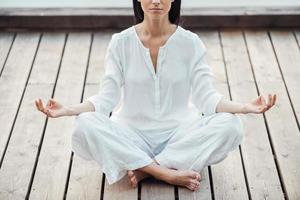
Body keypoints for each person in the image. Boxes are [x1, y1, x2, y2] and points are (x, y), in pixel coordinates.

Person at [35, 0, 276, 192]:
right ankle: (164, 172)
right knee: (85, 124)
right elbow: (105, 100)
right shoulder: (120, 43)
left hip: (179, 134)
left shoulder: (191, 43)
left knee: (232, 125)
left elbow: (206, 99)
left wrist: (244, 107)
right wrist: (67, 110)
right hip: (132, 133)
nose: (156, 1)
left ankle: (145, 168)